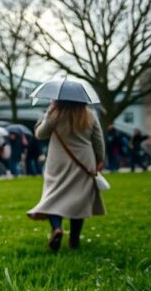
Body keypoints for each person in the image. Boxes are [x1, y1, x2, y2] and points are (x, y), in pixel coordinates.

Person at [27, 100, 106, 252]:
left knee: (53, 196)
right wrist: (100, 159)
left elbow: (40, 134)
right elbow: (98, 140)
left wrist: (47, 114)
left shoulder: (55, 114)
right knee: (79, 201)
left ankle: (57, 228)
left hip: (58, 162)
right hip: (83, 161)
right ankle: (74, 239)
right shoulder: (89, 115)